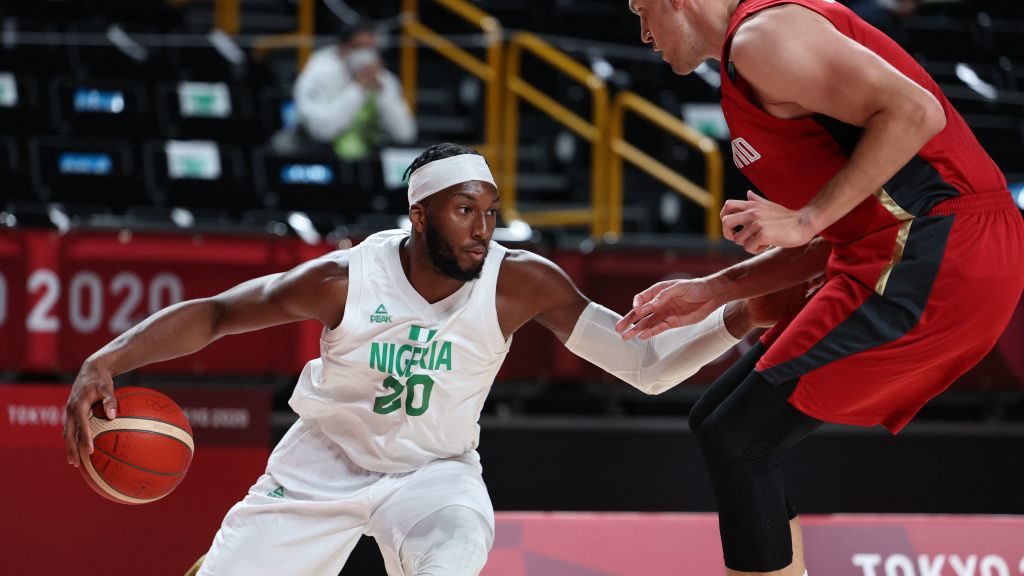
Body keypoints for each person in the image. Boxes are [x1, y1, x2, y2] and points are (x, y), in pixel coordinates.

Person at [63, 143, 804, 576]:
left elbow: (646, 369)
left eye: (489, 209)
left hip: (433, 474)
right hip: (320, 465)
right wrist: (109, 357)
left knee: (452, 550)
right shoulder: (345, 277)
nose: (483, 228)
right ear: (417, 216)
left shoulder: (522, 280)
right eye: (463, 211)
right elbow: (219, 313)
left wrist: (739, 312)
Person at [618, 0, 1024, 575]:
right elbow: (847, 230)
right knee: (720, 426)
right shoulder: (748, 60)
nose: (641, 34)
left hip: (946, 249)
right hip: (902, 247)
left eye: (642, 10)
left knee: (739, 437)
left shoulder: (764, 37)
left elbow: (916, 112)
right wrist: (716, 289)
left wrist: (807, 217)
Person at [291, 20, 416, 160]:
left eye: (372, 48)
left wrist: (383, 93)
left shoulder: (384, 79)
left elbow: (405, 134)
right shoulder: (318, 73)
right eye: (359, 47)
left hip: (370, 159)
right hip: (320, 156)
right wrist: (358, 88)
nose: (366, 54)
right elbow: (322, 131)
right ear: (342, 48)